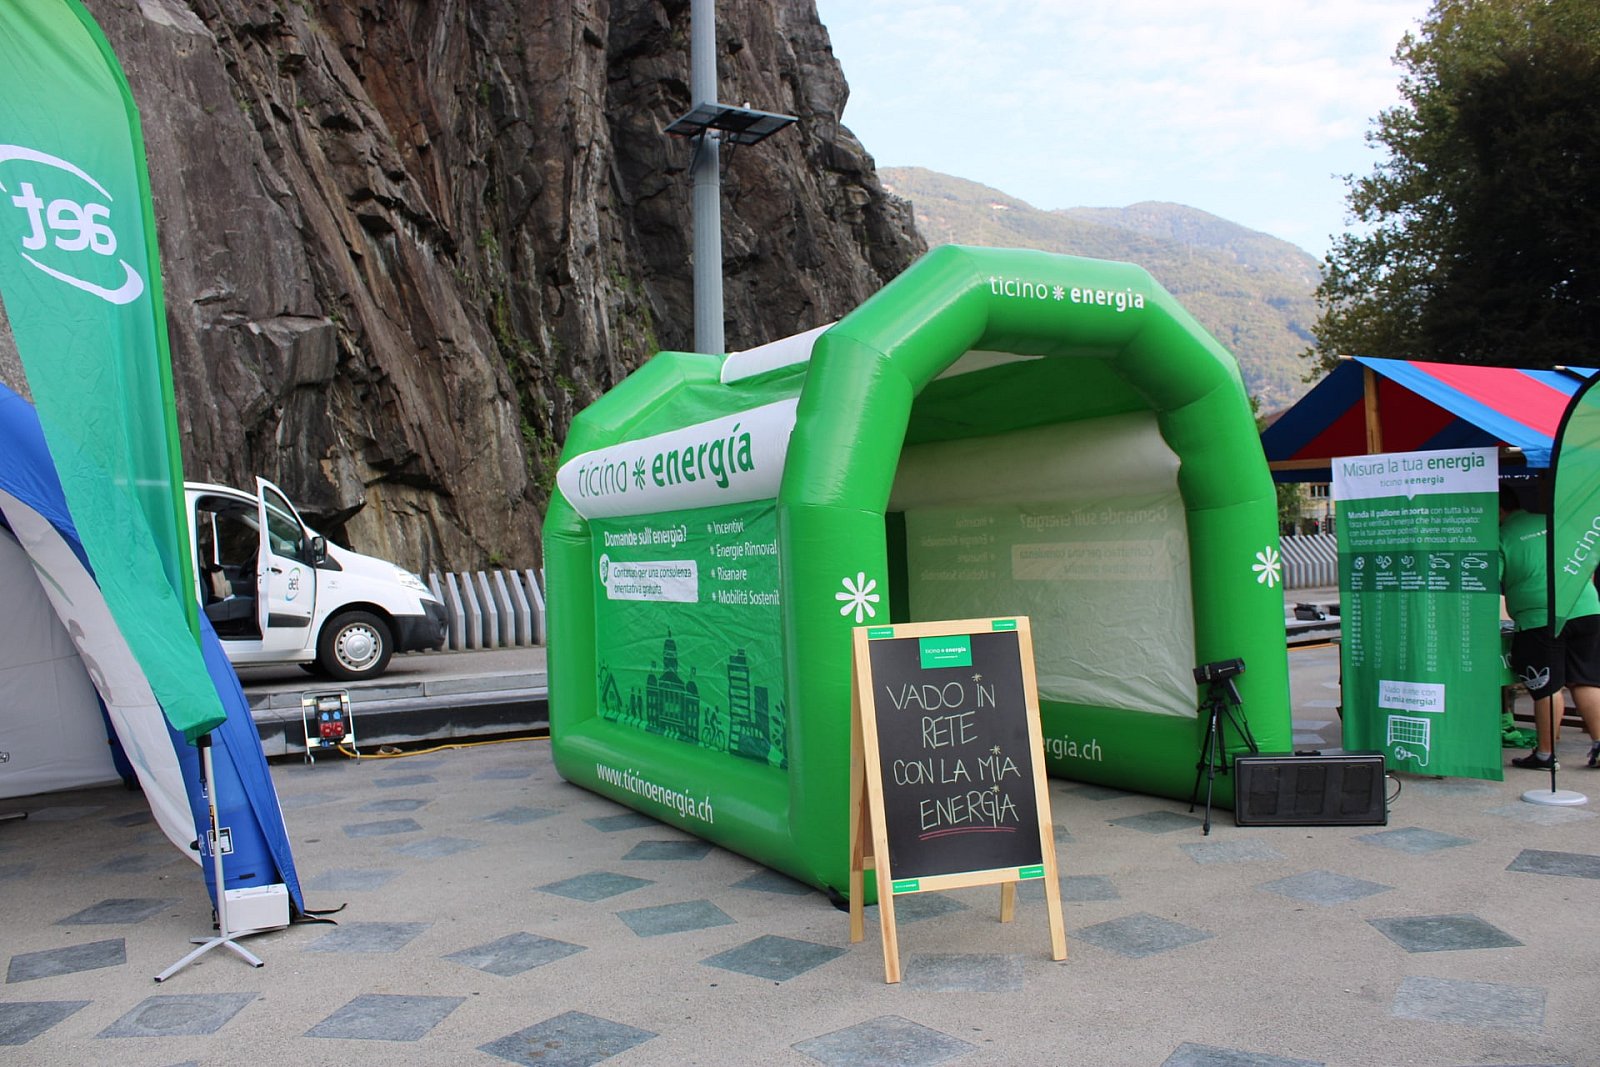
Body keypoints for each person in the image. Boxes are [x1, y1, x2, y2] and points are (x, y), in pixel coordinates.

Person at [1499, 485, 1600, 769]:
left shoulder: (1501, 537)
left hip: (1540, 619)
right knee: (1585, 679)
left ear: (1498, 510)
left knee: (1547, 684)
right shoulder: (1556, 523)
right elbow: (1588, 560)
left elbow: (1487, 582)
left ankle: (1545, 754)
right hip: (1586, 608)